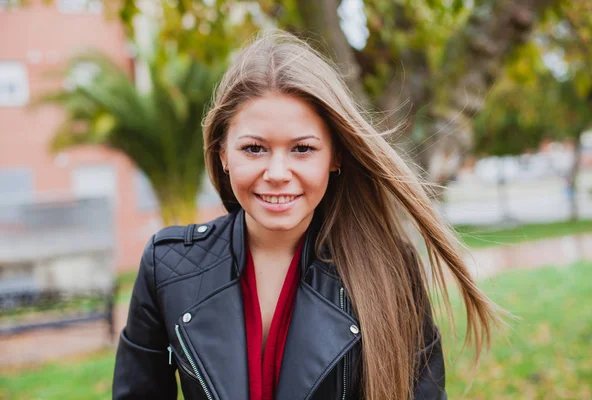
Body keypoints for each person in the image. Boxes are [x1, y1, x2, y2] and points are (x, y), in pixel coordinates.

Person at [113, 30, 499, 400]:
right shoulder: (168, 267)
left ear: (335, 156)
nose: (277, 173)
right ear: (222, 154)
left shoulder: (388, 269)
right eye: (253, 148)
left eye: (302, 149)